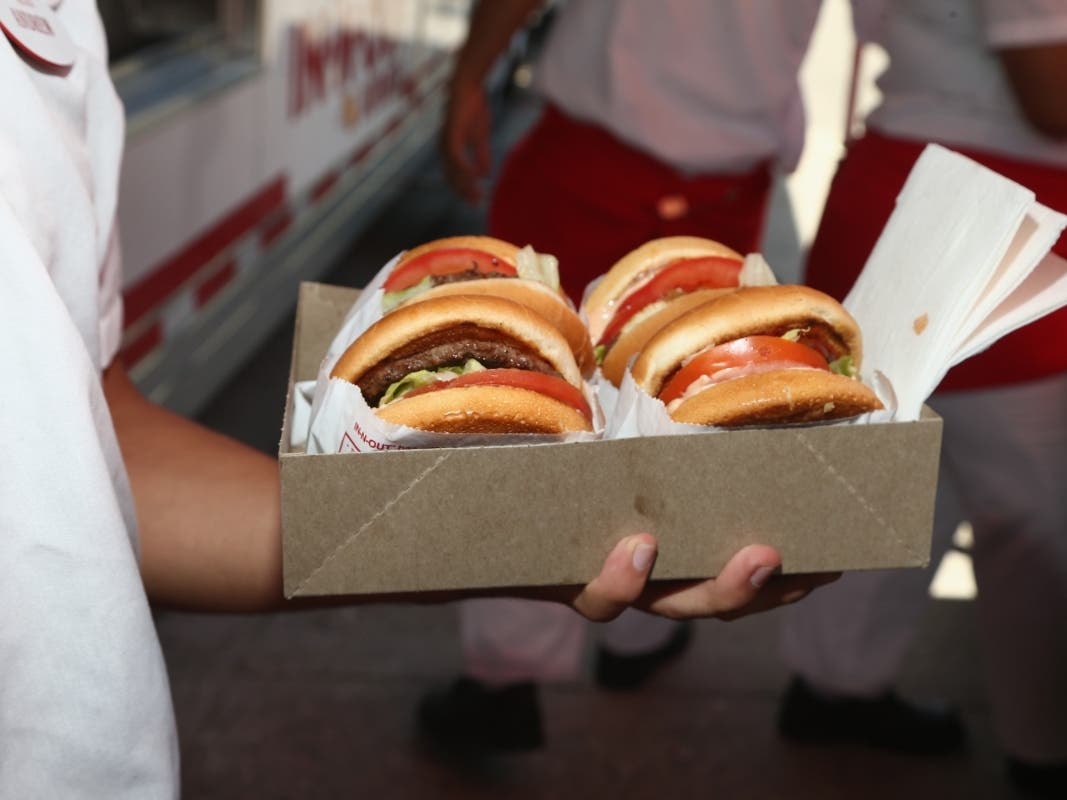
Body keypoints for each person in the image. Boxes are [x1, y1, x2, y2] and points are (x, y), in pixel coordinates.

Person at [0, 2, 834, 796]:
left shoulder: (66, 22)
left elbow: (92, 455)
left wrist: (473, 542)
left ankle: (518, 677)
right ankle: (509, 680)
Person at [424, 0, 833, 753]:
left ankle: (503, 679)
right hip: (720, 181)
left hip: (593, 156)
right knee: (683, 416)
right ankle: (637, 643)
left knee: (522, 418)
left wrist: (468, 78)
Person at [777, 1, 1067, 796]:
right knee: (1032, 510)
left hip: (914, 190)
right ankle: (1041, 747)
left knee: (890, 475)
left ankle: (833, 686)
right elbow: (1051, 92)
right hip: (991, 214)